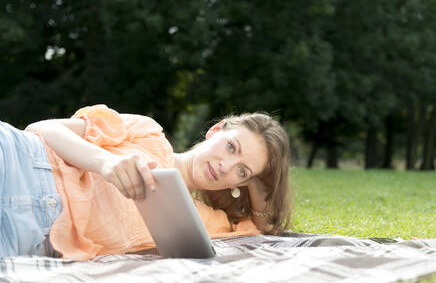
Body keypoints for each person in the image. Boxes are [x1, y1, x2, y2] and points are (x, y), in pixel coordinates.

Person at [0, 104, 292, 260]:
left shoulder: (203, 223)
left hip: (33, 232)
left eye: (241, 171)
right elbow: (42, 128)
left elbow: (266, 225)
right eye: (231, 147)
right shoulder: (148, 132)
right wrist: (104, 162)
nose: (225, 166)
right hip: (22, 162)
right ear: (215, 131)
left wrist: (259, 177)